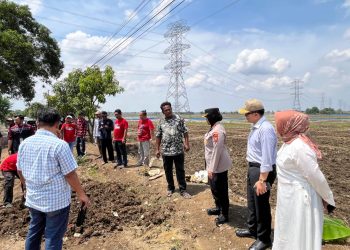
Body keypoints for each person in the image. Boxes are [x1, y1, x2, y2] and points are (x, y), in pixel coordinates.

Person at [17, 108, 91, 250]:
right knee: (53, 236)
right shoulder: (60, 145)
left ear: (38, 122)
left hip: (33, 198)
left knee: (33, 233)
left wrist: (26, 187)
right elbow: (70, 174)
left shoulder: (25, 143)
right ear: (57, 124)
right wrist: (82, 194)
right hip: (55, 202)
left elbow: (20, 170)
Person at [272, 110, 335, 250]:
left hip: (301, 199)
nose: (277, 127)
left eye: (279, 124)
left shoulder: (299, 146)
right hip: (288, 197)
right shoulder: (288, 142)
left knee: (300, 233)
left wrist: (328, 198)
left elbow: (315, 175)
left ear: (290, 125)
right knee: (289, 230)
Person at [235, 99, 277, 250]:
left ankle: (264, 239)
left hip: (262, 170)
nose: (245, 116)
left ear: (255, 114)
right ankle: (252, 229)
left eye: (246, 113)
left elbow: (267, 157)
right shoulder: (256, 127)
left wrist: (262, 179)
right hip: (254, 168)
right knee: (252, 202)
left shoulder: (265, 129)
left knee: (262, 206)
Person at [155, 101, 191, 198]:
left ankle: (183, 190)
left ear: (171, 109)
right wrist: (157, 149)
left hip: (178, 150)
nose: (168, 111)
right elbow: (158, 136)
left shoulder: (179, 119)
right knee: (168, 170)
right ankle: (170, 188)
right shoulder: (161, 122)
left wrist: (187, 144)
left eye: (169, 109)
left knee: (180, 170)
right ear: (163, 112)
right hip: (166, 151)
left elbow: (185, 132)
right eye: (166, 110)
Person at [203, 108, 232, 225]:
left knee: (221, 189)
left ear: (212, 117)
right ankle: (218, 207)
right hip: (212, 163)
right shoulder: (213, 128)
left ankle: (224, 214)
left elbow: (217, 150)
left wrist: (212, 169)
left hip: (218, 166)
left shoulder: (218, 130)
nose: (206, 120)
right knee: (214, 187)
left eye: (207, 117)